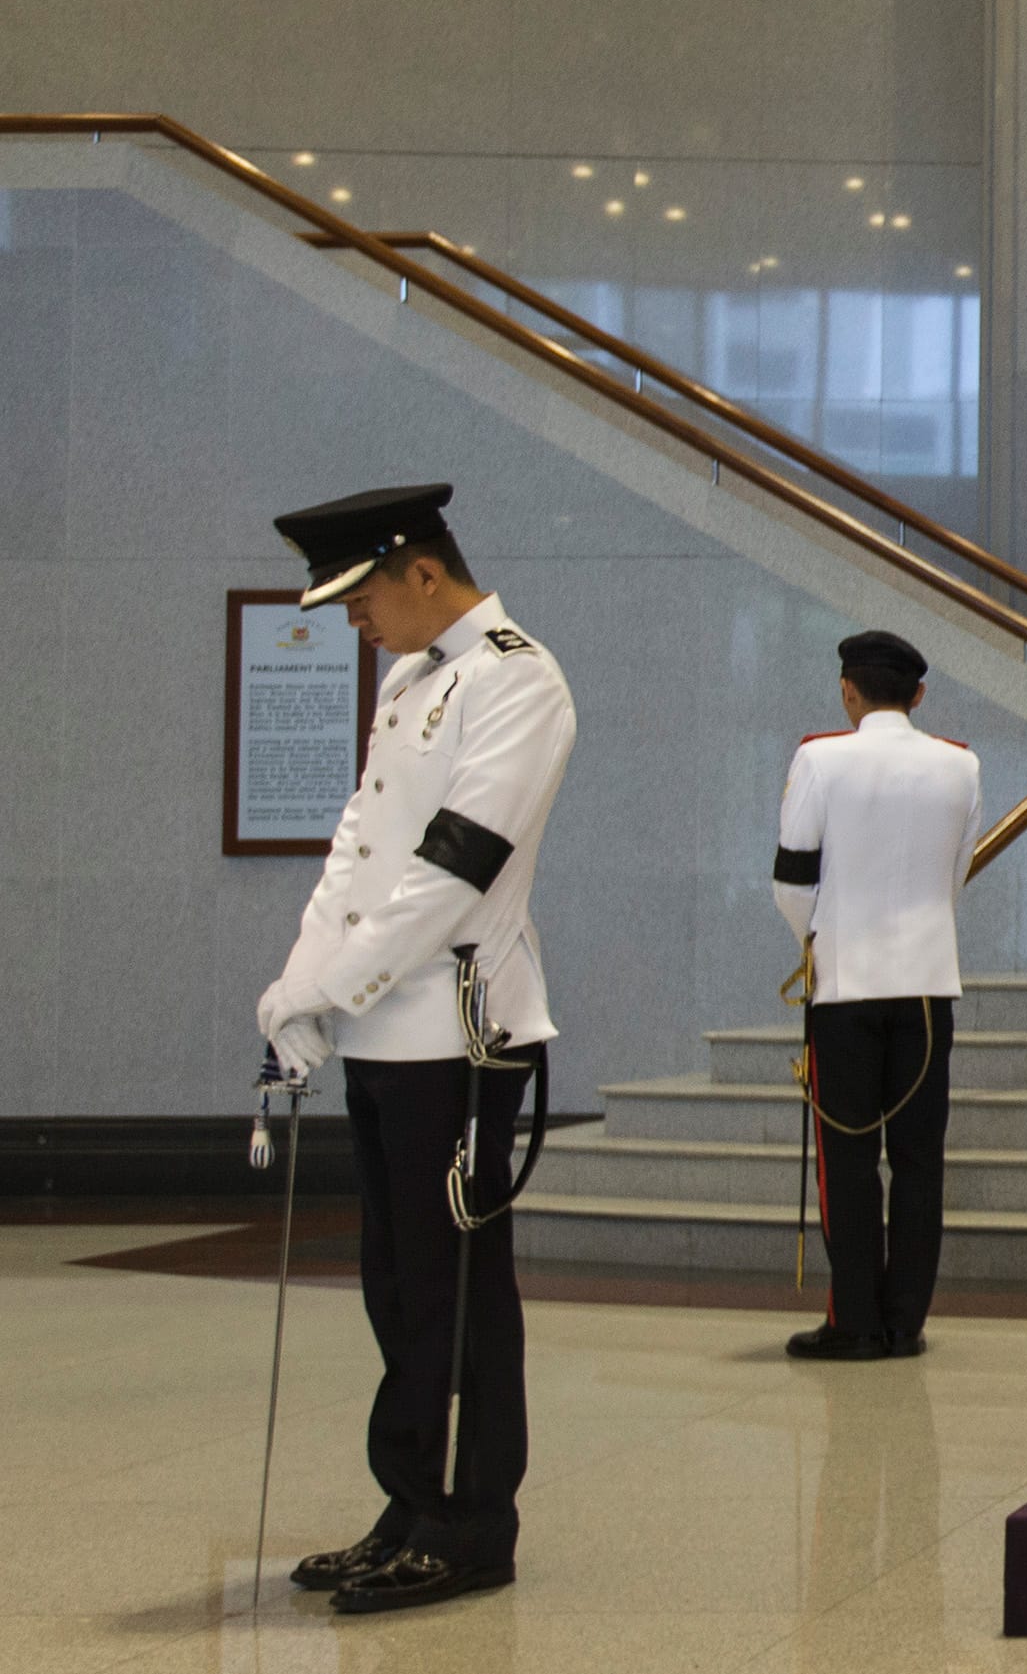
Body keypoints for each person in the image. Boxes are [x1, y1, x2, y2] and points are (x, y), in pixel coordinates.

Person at [253, 484, 578, 1614]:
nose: (352, 620)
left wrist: (339, 982)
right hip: (384, 1034)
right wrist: (302, 988)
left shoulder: (516, 676)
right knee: (394, 1279)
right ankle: (411, 1498)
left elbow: (453, 866)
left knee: (455, 1286)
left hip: (460, 1029)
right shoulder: (411, 678)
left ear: (423, 572)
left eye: (361, 596)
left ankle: (470, 1519)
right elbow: (358, 849)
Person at [772, 630, 984, 1362]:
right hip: (928, 986)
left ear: (847, 690)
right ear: (918, 694)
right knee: (920, 1159)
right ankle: (905, 1320)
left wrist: (824, 935)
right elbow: (955, 873)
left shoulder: (819, 758)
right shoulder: (961, 764)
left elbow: (792, 880)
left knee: (848, 1156)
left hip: (846, 987)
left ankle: (854, 1320)